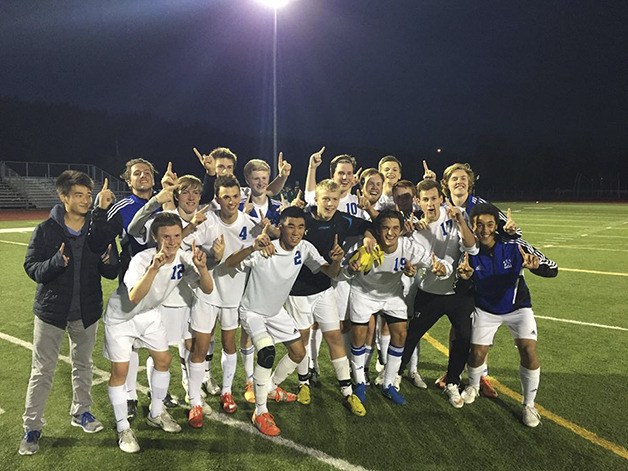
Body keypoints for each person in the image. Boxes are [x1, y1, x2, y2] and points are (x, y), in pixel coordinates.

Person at [20, 171, 118, 455]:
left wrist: (108, 259)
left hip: (86, 311)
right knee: (42, 371)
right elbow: (32, 268)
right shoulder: (46, 229)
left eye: (89, 195)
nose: (86, 200)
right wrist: (55, 262)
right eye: (79, 195)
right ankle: (32, 427)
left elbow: (111, 271)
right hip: (51, 311)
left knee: (84, 365)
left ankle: (82, 412)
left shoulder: (98, 228)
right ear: (64, 197)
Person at [225, 206, 344, 436]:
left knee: (299, 353)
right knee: (267, 352)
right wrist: (252, 246)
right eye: (290, 226)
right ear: (280, 227)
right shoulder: (265, 248)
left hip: (275, 312)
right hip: (253, 312)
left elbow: (331, 273)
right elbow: (230, 263)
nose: (296, 231)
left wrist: (336, 261)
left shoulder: (305, 248)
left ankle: (269, 388)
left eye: (300, 227)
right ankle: (260, 412)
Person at [104, 212, 213, 452]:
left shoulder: (184, 258)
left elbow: (207, 288)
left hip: (150, 315)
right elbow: (133, 297)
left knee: (164, 359)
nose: (172, 241)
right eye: (166, 237)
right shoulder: (142, 260)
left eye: (176, 235)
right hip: (122, 317)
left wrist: (203, 268)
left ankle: (156, 412)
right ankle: (123, 427)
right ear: (155, 237)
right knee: (120, 371)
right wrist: (154, 269)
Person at [91, 157, 177, 418]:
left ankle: (156, 391)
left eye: (147, 172)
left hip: (163, 281)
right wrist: (100, 208)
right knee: (131, 344)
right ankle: (129, 395)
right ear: (128, 181)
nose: (143, 176)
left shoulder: (166, 202)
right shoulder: (123, 205)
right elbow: (101, 237)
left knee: (157, 341)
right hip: (135, 279)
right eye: (137, 174)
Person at [347, 209, 452, 406]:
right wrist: (350, 269)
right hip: (363, 293)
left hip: (392, 295)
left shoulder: (409, 247)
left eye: (395, 228)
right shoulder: (366, 245)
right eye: (385, 228)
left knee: (401, 335)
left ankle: (388, 384)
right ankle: (359, 382)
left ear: (401, 229)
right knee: (359, 337)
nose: (390, 233)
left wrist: (443, 269)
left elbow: (437, 263)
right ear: (377, 230)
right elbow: (345, 271)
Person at [285, 179, 371, 416]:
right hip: (298, 290)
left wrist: (368, 238)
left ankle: (347, 391)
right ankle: (303, 384)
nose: (330, 203)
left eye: (334, 199)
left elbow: (369, 225)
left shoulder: (343, 220)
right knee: (301, 339)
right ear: (316, 199)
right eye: (326, 199)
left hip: (325, 288)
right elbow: (281, 230)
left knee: (333, 336)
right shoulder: (303, 219)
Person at [458, 203, 544, 428]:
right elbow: (461, 285)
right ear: (472, 227)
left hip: (517, 308)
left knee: (528, 349)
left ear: (497, 226)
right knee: (477, 354)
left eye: (489, 224)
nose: (484, 229)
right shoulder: (469, 252)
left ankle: (529, 405)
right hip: (486, 310)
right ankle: (473, 386)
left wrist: (536, 267)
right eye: (479, 225)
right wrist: (464, 279)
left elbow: (551, 268)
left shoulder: (513, 246)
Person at [184, 175, 262, 425]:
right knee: (201, 346)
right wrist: (209, 254)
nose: (231, 201)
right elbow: (185, 248)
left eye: (235, 196)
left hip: (233, 294)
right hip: (206, 293)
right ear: (217, 197)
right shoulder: (207, 221)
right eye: (225, 196)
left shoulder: (251, 224)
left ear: (241, 197)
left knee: (230, 344)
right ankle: (195, 401)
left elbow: (255, 256)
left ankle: (227, 392)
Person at [396, 179, 478, 408]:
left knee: (464, 337)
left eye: (434, 198)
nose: (430, 204)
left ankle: (452, 382)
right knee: (411, 334)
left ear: (440, 199)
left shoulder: (455, 215)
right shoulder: (413, 228)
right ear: (417, 202)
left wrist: (461, 221)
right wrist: (409, 267)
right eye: (425, 200)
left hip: (458, 293)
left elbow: (472, 247)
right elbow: (408, 261)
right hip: (429, 291)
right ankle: (396, 375)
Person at [194, 147, 291, 204]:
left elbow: (269, 191)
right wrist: (211, 172)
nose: (225, 171)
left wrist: (282, 176)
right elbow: (207, 195)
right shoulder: (199, 194)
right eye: (220, 167)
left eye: (229, 167)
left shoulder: (243, 193)